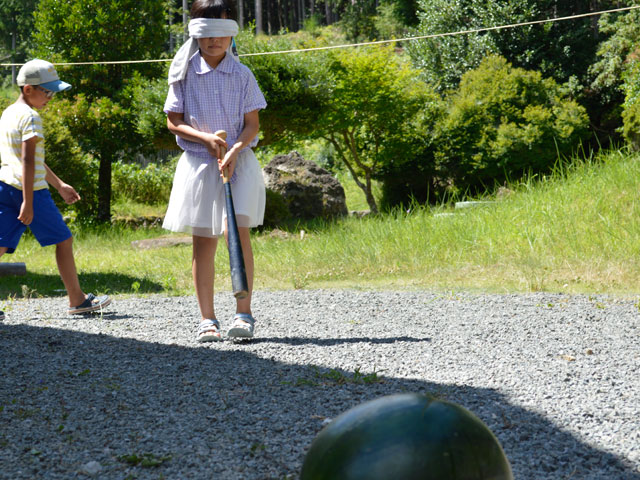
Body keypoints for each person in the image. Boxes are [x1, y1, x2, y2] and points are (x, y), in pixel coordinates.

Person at [163, 0, 266, 342]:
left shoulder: (242, 74)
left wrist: (236, 148)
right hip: (198, 165)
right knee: (203, 242)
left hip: (238, 163)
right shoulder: (183, 72)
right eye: (207, 35)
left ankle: (244, 314)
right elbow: (173, 121)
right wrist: (205, 138)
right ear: (196, 34)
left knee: (236, 234)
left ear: (231, 34)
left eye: (221, 35)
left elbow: (252, 125)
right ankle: (207, 319)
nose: (214, 42)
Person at [0, 59, 112, 317]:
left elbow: (29, 158)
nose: (50, 97)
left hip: (5, 185)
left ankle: (77, 299)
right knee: (64, 240)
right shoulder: (31, 117)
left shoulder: (9, 113)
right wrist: (29, 200)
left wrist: (60, 184)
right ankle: (78, 300)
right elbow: (28, 161)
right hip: (30, 191)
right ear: (28, 89)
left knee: (1, 245)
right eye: (47, 92)